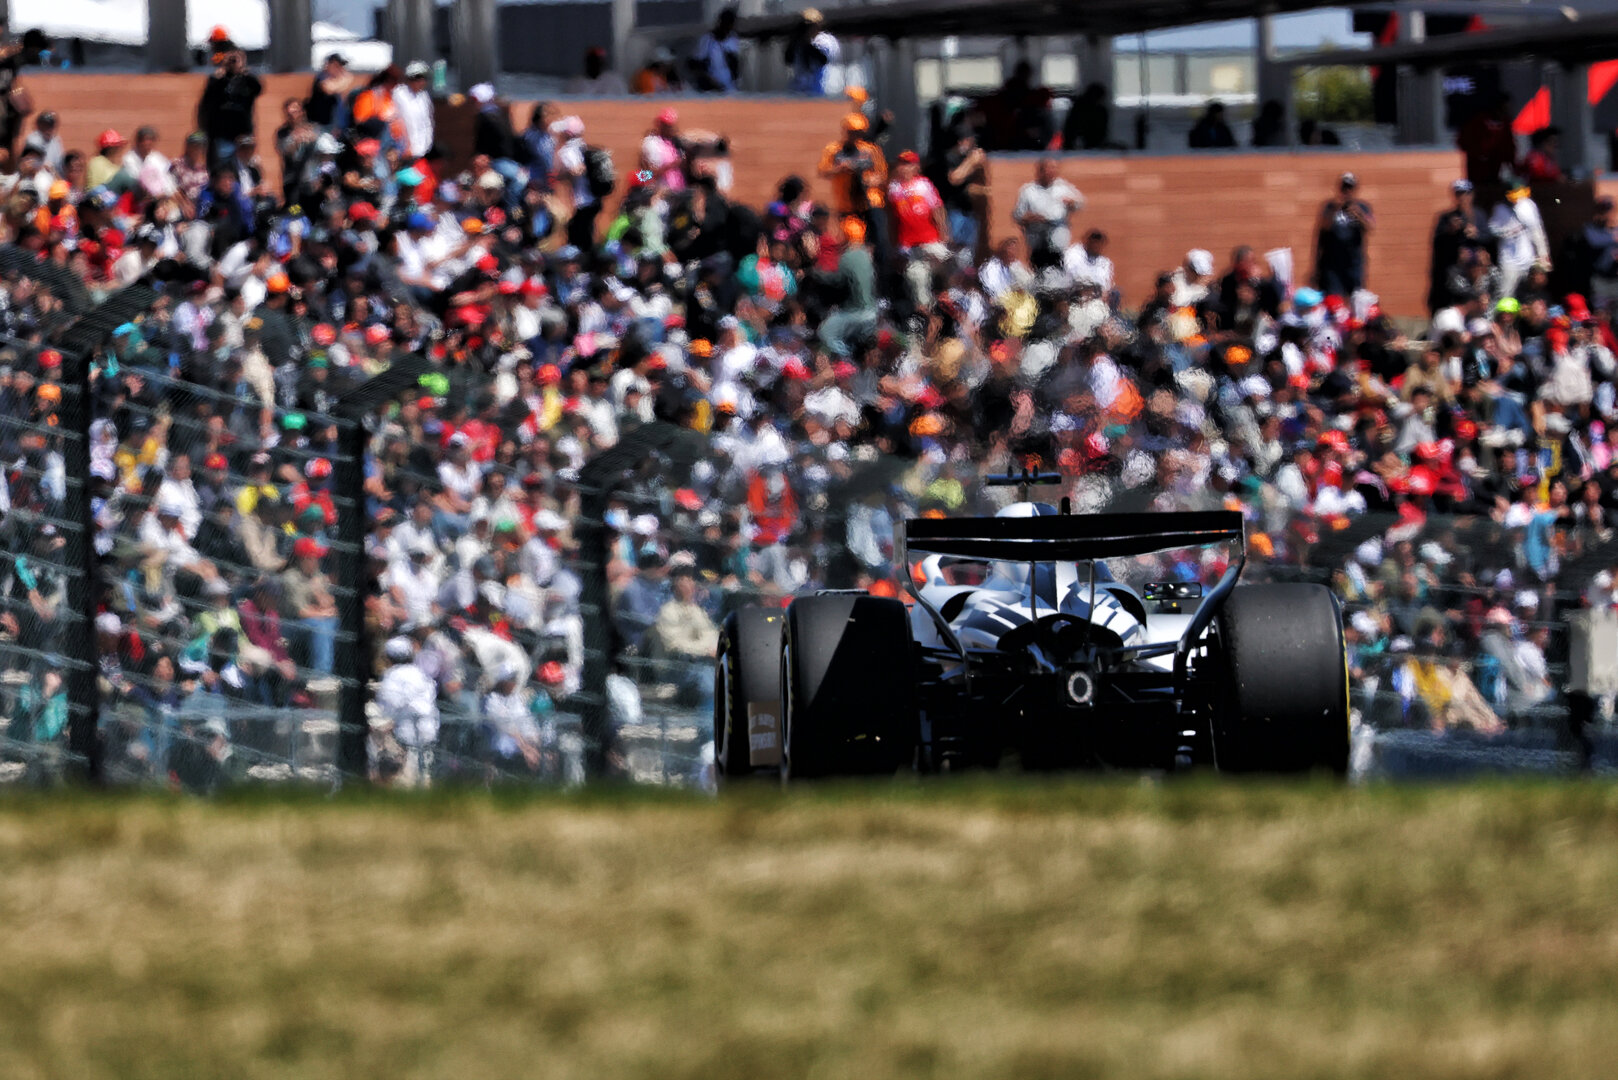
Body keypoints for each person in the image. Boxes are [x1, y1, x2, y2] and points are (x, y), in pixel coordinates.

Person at [1012, 156, 1083, 270]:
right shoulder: (1028, 190)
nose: (1051, 171)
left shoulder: (1063, 187)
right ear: (1040, 171)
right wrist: (1029, 218)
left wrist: (1072, 203)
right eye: (1048, 168)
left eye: (1054, 168)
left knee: (1058, 269)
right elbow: (1017, 215)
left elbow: (1079, 204)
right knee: (1039, 269)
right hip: (1037, 236)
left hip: (1057, 235)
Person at [1429, 178, 1488, 314]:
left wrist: (1476, 234)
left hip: (1476, 270)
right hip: (1455, 270)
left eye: (1465, 194)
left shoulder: (1479, 215)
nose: (1463, 198)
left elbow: (1489, 238)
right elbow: (1438, 242)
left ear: (1471, 195)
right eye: (1459, 194)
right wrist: (1451, 231)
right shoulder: (1446, 217)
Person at [197, 44, 262, 167]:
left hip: (243, 132)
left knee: (246, 166)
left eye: (236, 59)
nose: (233, 62)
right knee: (222, 167)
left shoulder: (247, 79)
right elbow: (209, 97)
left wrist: (243, 70)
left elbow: (258, 88)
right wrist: (221, 74)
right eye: (230, 59)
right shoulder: (217, 79)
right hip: (222, 133)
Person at [1315, 171, 1374, 297]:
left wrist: (1358, 214)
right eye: (1344, 188)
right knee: (1334, 296)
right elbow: (1324, 226)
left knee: (1356, 296)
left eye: (1350, 188)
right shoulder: (1329, 206)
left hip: (1354, 261)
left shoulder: (1362, 207)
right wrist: (1337, 207)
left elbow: (1371, 227)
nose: (1347, 192)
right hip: (1332, 262)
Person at [1490, 177, 1550, 299]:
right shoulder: (1499, 208)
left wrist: (1543, 253)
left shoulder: (1529, 205)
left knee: (1531, 294)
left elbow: (1537, 230)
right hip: (1509, 261)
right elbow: (1492, 229)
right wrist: (1507, 232)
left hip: (1529, 259)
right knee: (1506, 294)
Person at [0, 28, 48, 158]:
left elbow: (13, 78)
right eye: (37, 50)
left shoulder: (17, 58)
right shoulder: (10, 54)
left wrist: (16, 89)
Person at [1458, 92, 1516, 188]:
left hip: (1497, 169)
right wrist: (1479, 154)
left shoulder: (1505, 124)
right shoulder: (1477, 122)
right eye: (1505, 106)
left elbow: (1509, 147)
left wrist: (1511, 164)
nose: (1508, 109)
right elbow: (1464, 141)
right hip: (1477, 169)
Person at [784, 9, 839, 96]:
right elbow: (788, 59)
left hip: (818, 90)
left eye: (809, 25)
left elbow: (823, 59)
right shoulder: (798, 44)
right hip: (797, 90)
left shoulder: (825, 40)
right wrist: (795, 41)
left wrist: (806, 43)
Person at [690, 8, 740, 93]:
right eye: (725, 23)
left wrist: (735, 79)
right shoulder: (708, 39)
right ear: (720, 22)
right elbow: (697, 63)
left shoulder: (733, 38)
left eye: (730, 24)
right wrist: (710, 80)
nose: (728, 27)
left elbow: (734, 62)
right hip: (712, 86)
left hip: (729, 86)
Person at [393, 61, 435, 160]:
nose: (421, 82)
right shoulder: (399, 93)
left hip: (422, 149)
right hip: (403, 149)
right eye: (417, 78)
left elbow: (428, 122)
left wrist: (428, 144)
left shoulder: (424, 97)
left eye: (423, 78)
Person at [305, 52, 354, 130]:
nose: (340, 69)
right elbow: (329, 88)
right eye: (336, 65)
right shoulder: (322, 78)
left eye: (341, 66)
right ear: (328, 65)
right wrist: (345, 80)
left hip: (337, 125)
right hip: (322, 126)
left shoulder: (337, 79)